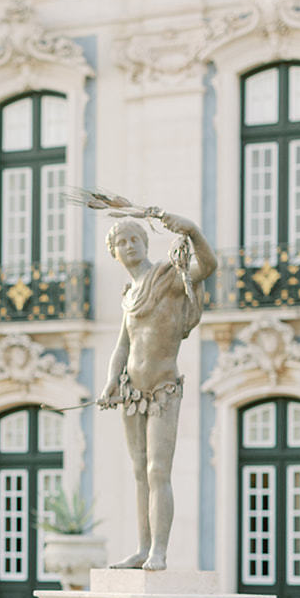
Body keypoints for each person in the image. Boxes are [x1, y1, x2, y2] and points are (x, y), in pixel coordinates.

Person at [97, 211, 216, 571]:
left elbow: (208, 266)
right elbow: (123, 344)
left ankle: (159, 551)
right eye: (121, 242)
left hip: (164, 387)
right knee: (137, 471)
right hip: (133, 392)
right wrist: (111, 381)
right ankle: (142, 546)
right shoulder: (129, 294)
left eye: (135, 239)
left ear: (145, 243)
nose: (129, 246)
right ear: (114, 253)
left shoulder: (167, 277)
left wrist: (192, 231)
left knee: (156, 470)